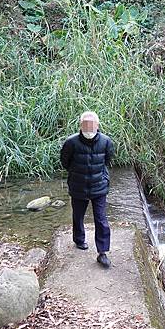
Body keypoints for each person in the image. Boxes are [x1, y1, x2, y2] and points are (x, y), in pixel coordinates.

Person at [59, 111, 115, 268]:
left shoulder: (106, 142)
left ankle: (102, 252)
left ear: (97, 125)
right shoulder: (71, 142)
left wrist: (102, 178)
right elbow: (65, 161)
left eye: (92, 124)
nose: (89, 127)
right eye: (86, 123)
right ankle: (79, 239)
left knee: (101, 218)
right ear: (81, 125)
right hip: (78, 186)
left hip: (99, 186)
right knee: (78, 215)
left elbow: (107, 160)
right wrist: (77, 173)